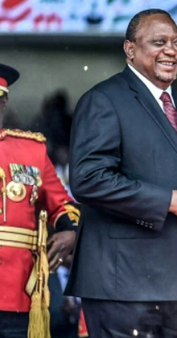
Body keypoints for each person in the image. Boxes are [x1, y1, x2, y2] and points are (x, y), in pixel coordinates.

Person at [66, 9, 177, 337]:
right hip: (122, 285)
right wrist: (168, 201)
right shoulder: (104, 100)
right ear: (130, 49)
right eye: (159, 42)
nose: (171, 50)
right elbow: (87, 179)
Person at [0, 63, 79, 338]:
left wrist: (69, 230)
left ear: (5, 101)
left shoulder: (31, 151)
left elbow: (62, 203)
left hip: (20, 288)